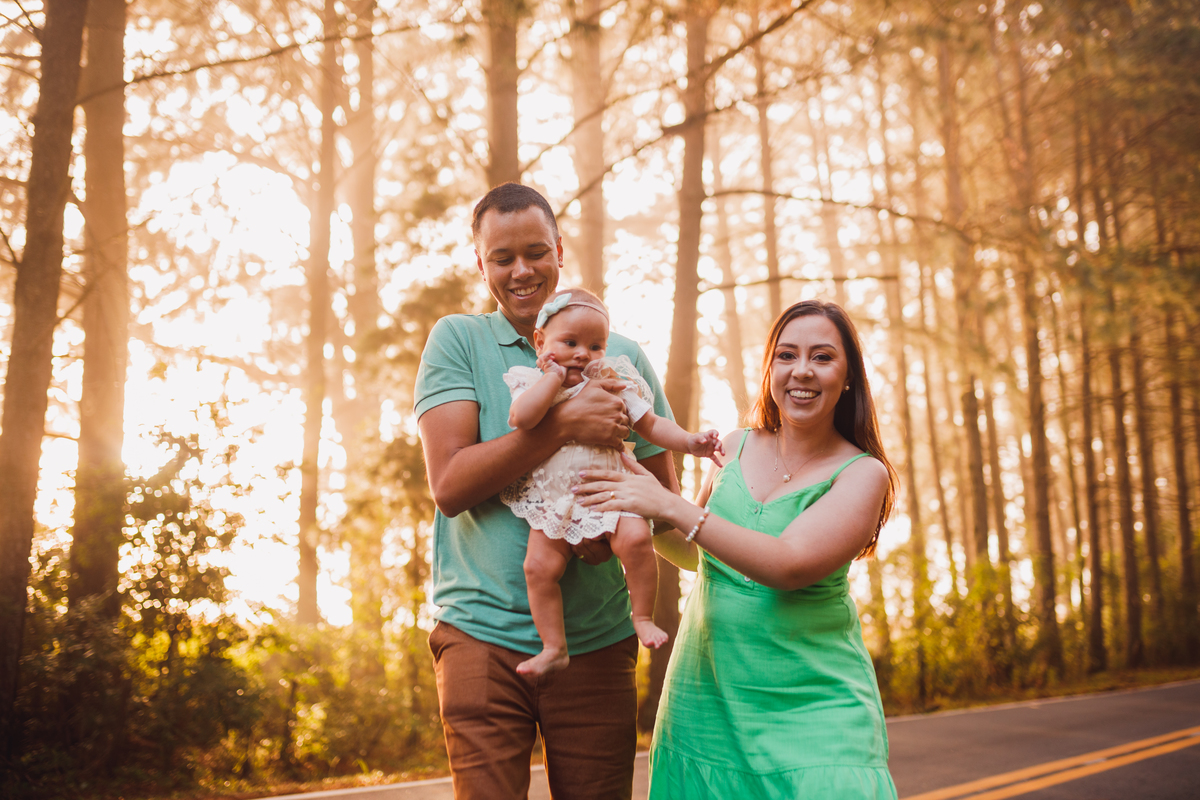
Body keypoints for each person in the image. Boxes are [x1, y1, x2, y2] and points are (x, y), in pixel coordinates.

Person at [414, 182, 680, 800]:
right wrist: (562, 424)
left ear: (559, 250)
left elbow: (663, 495)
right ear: (480, 264)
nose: (521, 270)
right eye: (502, 258)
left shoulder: (621, 355)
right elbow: (450, 485)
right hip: (479, 634)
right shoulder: (458, 341)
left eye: (536, 251)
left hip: (598, 639)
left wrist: (599, 529)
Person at [574, 299, 900, 799]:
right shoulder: (737, 445)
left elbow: (788, 564)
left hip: (814, 706)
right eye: (787, 355)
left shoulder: (862, 474)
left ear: (849, 375)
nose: (802, 372)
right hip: (706, 703)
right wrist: (636, 484)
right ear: (771, 367)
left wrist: (671, 504)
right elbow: (696, 551)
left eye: (822, 357)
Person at [503, 287, 723, 678]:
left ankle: (641, 617)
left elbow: (651, 424)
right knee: (538, 568)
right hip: (556, 498)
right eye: (569, 343)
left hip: (611, 490)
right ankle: (554, 647)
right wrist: (552, 380)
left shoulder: (612, 378)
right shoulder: (531, 381)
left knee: (637, 540)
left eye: (595, 345)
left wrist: (690, 443)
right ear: (541, 341)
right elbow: (523, 418)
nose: (582, 354)